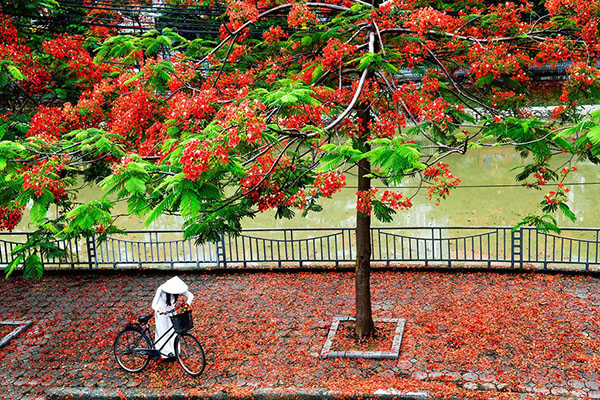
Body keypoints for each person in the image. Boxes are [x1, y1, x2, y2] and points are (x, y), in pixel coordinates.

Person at [151, 276, 194, 359]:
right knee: (163, 331)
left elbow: (191, 296)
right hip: (162, 313)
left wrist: (185, 306)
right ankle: (164, 352)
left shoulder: (177, 290)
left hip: (172, 312)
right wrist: (159, 310)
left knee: (174, 331)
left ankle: (174, 350)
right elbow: (153, 304)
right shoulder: (161, 289)